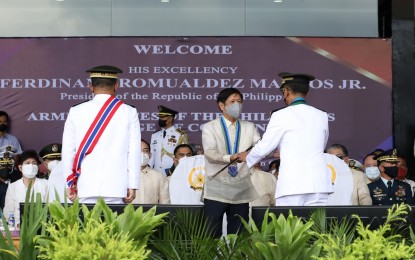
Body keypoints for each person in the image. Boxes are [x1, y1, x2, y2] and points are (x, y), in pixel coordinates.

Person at [240, 72, 332, 206]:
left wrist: (247, 158)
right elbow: (323, 143)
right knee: (316, 226)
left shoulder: (280, 115)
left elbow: (266, 147)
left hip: (293, 184)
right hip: (319, 184)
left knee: (291, 226)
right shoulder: (322, 115)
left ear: (287, 92)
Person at [62, 65, 141, 204]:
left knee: (86, 225)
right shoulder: (129, 111)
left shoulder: (76, 111)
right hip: (116, 187)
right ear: (116, 86)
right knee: (114, 225)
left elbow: (68, 150)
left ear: (91, 86)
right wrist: (132, 184)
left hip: (84, 186)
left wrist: (69, 182)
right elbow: (134, 151)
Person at [202, 88, 259, 238]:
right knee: (211, 236)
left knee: (239, 237)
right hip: (216, 190)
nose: (237, 105)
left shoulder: (249, 126)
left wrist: (252, 154)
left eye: (239, 102)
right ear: (221, 106)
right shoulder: (210, 127)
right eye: (232, 102)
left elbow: (260, 147)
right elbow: (209, 153)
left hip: (240, 189)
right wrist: (230, 157)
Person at [3, 150, 48, 228]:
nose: (31, 165)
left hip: (42, 228)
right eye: (27, 163)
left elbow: (50, 209)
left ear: (37, 167)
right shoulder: (13, 187)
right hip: (19, 230)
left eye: (34, 163)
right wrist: (18, 224)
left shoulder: (46, 184)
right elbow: (8, 212)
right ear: (20, 167)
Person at [149, 105, 188, 176]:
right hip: (156, 173)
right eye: (160, 117)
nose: (160, 119)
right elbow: (152, 156)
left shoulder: (180, 135)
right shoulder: (155, 135)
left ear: (170, 119)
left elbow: (184, 157)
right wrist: (148, 171)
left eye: (162, 117)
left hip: (172, 173)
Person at [132, 139, 169, 204]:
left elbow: (165, 203)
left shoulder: (159, 176)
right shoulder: (122, 176)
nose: (142, 154)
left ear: (150, 155)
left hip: (152, 214)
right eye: (138, 150)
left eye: (145, 151)